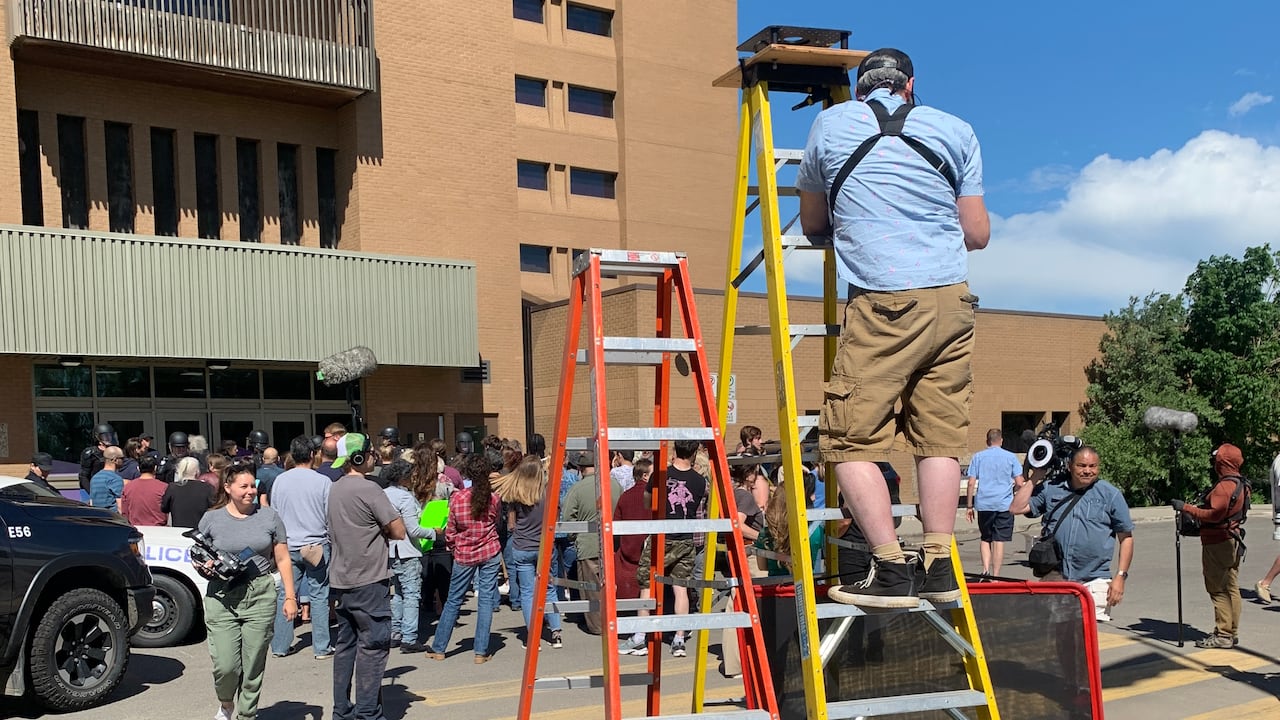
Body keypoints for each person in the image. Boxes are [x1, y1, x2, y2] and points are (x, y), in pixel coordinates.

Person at [797, 47, 989, 608]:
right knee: (941, 437)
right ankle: (939, 564)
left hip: (883, 301)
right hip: (952, 301)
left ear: (861, 89)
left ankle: (888, 567)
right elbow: (976, 233)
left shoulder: (830, 125)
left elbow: (813, 225)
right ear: (911, 85)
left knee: (849, 438)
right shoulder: (955, 129)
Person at [193, 458, 296, 720]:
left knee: (253, 663)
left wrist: (290, 596)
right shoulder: (211, 518)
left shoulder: (269, 517)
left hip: (260, 592)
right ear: (227, 487)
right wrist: (204, 565)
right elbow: (196, 553)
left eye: (253, 485)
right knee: (226, 665)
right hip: (222, 595)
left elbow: (283, 558)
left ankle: (247, 714)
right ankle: (226, 702)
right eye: (244, 486)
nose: (251, 491)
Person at [327, 433, 404, 720]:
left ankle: (342, 710)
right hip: (369, 579)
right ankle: (368, 713)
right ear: (358, 458)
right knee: (373, 647)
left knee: (346, 646)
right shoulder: (369, 489)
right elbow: (398, 530)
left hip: (342, 580)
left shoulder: (334, 488)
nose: (374, 457)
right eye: (370, 453)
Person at [1010, 446, 1134, 622]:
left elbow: (1126, 538)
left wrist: (1120, 577)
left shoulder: (1110, 494)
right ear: (1070, 466)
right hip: (1057, 575)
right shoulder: (1052, 488)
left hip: (1095, 577)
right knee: (1056, 631)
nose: (1087, 471)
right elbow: (1016, 508)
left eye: (1093, 466)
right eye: (1082, 465)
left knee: (1089, 637)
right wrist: (1036, 476)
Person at [630, 439, 707, 657]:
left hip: (662, 536)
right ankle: (679, 639)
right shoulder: (700, 481)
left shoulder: (660, 475)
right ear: (694, 453)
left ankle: (640, 637)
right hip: (686, 538)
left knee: (646, 583)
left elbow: (647, 502)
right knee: (680, 587)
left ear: (675, 450)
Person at [428, 454, 503, 663]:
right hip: (489, 550)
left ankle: (439, 647)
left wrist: (453, 547)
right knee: (486, 600)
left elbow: (451, 530)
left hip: (464, 552)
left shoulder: (458, 498)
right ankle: (481, 651)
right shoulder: (494, 498)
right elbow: (496, 522)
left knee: (453, 600)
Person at [1173, 443, 1249, 648]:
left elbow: (1214, 514)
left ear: (1223, 462)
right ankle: (1231, 631)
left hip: (1218, 542)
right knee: (1231, 587)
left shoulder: (1224, 486)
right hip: (1232, 540)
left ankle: (1223, 635)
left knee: (1217, 589)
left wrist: (1186, 508)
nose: (1214, 463)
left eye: (1217, 460)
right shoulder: (1242, 483)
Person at [269, 435, 335, 660]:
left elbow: (275, 513)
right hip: (316, 544)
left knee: (286, 594)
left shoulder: (280, 480)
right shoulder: (322, 481)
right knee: (319, 595)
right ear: (312, 455)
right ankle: (322, 646)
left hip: (287, 545)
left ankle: (280, 644)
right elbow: (329, 516)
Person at [503, 454, 563, 650]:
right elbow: (556, 518)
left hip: (522, 547)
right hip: (544, 545)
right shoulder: (549, 493)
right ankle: (555, 633)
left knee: (528, 594)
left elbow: (511, 525)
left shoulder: (516, 494)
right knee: (549, 589)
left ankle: (533, 637)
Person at [559, 450, 620, 635]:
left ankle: (598, 626)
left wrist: (573, 537)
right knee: (610, 585)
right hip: (613, 542)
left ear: (581, 468)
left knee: (592, 589)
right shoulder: (615, 485)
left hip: (588, 545)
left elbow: (568, 517)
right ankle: (613, 621)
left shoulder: (577, 489)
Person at [382, 459, 436, 653]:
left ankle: (395, 633)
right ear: (404, 478)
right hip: (407, 550)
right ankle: (409, 637)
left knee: (397, 593)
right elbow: (413, 529)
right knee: (412, 594)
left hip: (389, 551)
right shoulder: (405, 498)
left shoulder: (383, 494)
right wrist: (433, 532)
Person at [965, 429, 1025, 576]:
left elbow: (971, 483)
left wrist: (969, 506)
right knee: (999, 540)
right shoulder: (1011, 457)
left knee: (985, 538)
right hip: (1004, 504)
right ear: (1001, 440)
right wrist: (1014, 493)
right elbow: (1019, 482)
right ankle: (996, 575)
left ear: (987, 441)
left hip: (984, 504)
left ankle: (985, 570)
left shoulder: (978, 457)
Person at [162, 456, 216, 528]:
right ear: (197, 472)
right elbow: (214, 510)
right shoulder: (207, 488)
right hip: (200, 531)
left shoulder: (173, 487)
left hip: (178, 531)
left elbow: (164, 508)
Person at [121, 454, 168, 526]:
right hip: (159, 530)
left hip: (136, 529)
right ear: (155, 468)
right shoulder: (164, 487)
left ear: (138, 469)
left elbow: (125, 513)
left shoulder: (128, 487)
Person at [78, 423, 117, 502]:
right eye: (105, 436)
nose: (108, 439)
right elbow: (83, 476)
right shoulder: (90, 453)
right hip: (93, 489)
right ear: (98, 438)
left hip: (109, 488)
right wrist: (92, 494)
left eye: (110, 436)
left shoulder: (115, 451)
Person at [90, 445, 125, 511]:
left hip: (98, 517)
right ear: (115, 460)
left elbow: (92, 502)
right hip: (113, 517)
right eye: (122, 458)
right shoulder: (115, 479)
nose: (123, 461)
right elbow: (120, 505)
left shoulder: (95, 478)